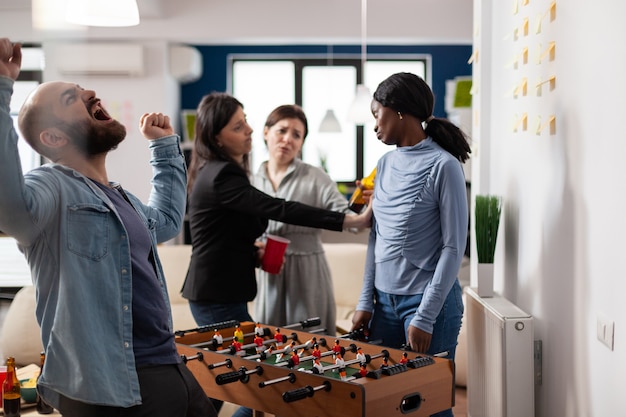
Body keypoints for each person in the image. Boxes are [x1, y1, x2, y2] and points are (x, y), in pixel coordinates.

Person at [0, 40, 216, 417]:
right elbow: (10, 210)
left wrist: (165, 147)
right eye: (72, 98)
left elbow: (163, 223)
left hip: (167, 365)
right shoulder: (50, 187)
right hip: (111, 387)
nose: (90, 93)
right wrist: (3, 87)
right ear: (54, 138)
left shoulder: (120, 198)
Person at [182, 92, 371, 417]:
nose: (250, 131)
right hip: (222, 293)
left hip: (267, 281)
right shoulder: (228, 174)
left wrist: (354, 211)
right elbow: (277, 208)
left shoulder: (223, 171)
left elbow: (231, 227)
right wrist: (348, 220)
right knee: (246, 381)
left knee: (242, 379)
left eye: (297, 134)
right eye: (239, 126)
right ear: (217, 137)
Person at [350, 72, 470, 417]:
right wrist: (365, 301)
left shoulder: (444, 166)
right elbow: (376, 236)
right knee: (384, 405)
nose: (374, 125)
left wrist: (426, 315)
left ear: (399, 111)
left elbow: (453, 247)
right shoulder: (385, 164)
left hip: (428, 304)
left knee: (429, 407)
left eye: (377, 114)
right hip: (384, 306)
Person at [252, 104, 355, 332]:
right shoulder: (251, 179)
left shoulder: (315, 176)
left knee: (311, 341)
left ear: (301, 144)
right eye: (282, 130)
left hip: (308, 269)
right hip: (269, 270)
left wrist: (363, 208)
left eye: (296, 135)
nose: (287, 139)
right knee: (268, 339)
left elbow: (347, 217)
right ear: (266, 132)